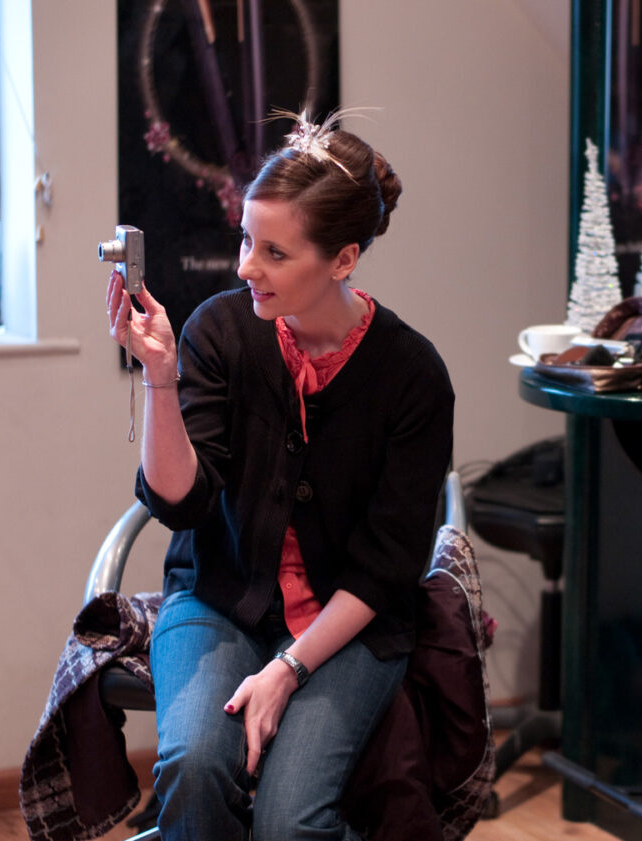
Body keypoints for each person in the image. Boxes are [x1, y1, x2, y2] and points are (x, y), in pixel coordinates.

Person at [105, 110, 454, 840]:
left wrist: (288, 667)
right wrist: (161, 377)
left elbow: (387, 569)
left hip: (348, 624)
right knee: (195, 767)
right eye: (245, 240)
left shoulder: (412, 375)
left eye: (274, 252)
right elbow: (180, 503)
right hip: (218, 600)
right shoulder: (220, 331)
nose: (245, 267)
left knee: (291, 820)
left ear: (343, 259)